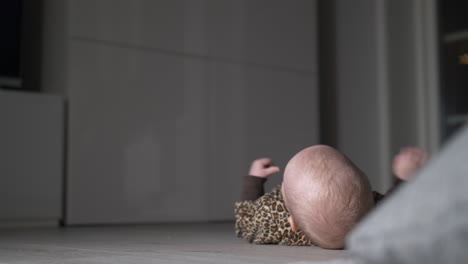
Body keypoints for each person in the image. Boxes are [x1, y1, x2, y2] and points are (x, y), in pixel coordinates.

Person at [234, 145, 428, 249]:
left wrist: (254, 180)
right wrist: (405, 177)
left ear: (292, 223)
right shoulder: (375, 218)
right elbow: (397, 207)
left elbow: (246, 221)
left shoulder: (273, 219)